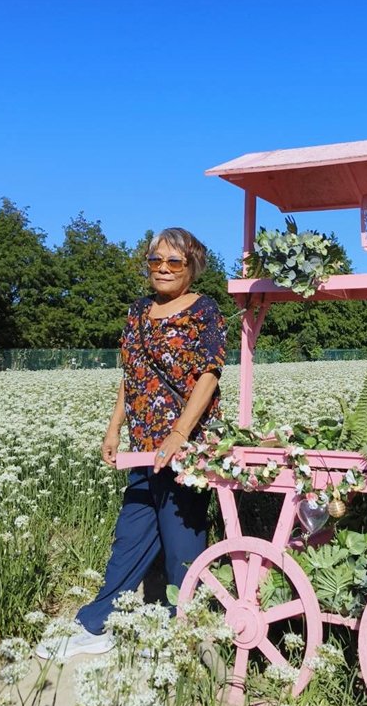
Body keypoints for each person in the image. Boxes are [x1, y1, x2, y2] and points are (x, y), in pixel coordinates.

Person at [36, 227, 226, 661]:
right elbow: (132, 375)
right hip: (143, 445)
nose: (162, 268)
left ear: (191, 266)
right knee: (131, 534)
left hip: (187, 448)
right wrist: (113, 427)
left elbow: (209, 375)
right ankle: (97, 625)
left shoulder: (204, 310)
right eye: (155, 260)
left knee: (181, 544)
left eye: (173, 262)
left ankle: (186, 635)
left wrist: (179, 435)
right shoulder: (138, 311)